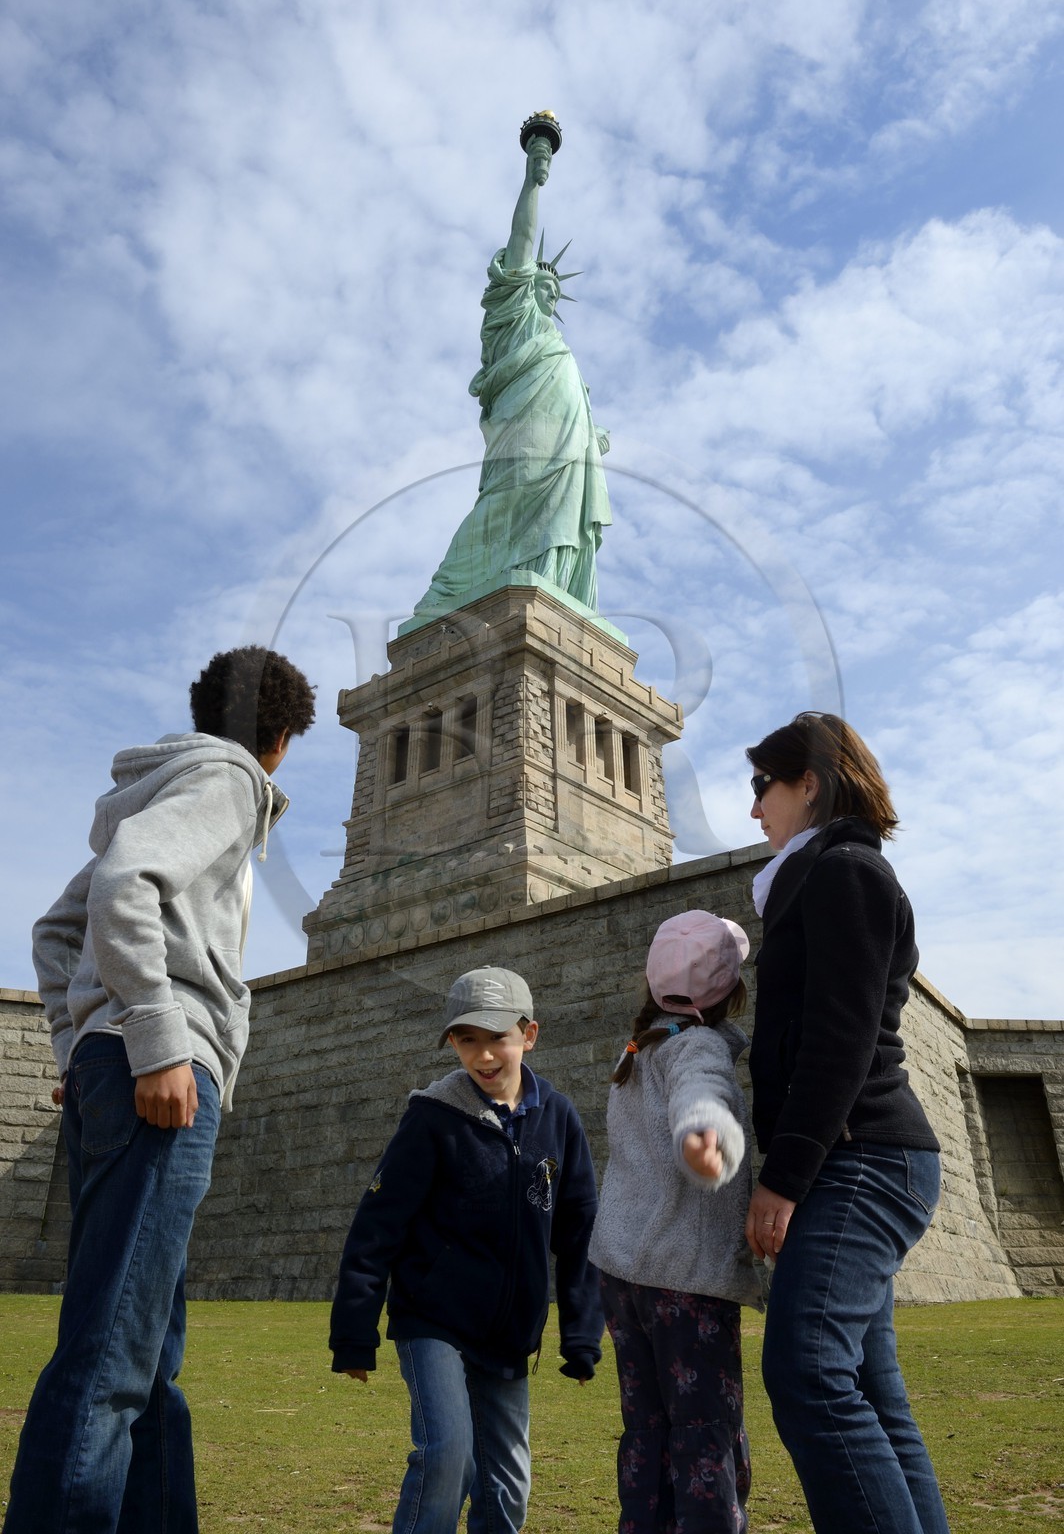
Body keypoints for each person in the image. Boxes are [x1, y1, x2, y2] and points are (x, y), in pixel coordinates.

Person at [4, 644, 316, 1534]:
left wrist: (77, 1045)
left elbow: (60, 927)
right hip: (160, 1070)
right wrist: (153, 1037)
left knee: (146, 1345)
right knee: (112, 1352)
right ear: (282, 738)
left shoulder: (162, 785)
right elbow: (122, 885)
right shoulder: (226, 781)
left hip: (118, 1063)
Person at [743, 711, 949, 1534]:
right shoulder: (821, 875)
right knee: (865, 1386)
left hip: (864, 1157)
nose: (754, 809)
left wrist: (782, 1177)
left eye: (763, 787)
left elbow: (842, 1039)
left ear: (809, 784)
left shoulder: (845, 872)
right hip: (858, 1157)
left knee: (805, 1369)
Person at [329, 966, 603, 1534]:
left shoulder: (560, 1119)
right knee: (447, 1457)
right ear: (452, 1040)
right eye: (466, 1039)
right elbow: (376, 1227)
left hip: (510, 1336)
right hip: (433, 1320)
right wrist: (355, 1332)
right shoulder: (431, 1118)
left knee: (508, 1488)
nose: (482, 1055)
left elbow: (579, 1234)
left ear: (529, 1035)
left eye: (497, 1037)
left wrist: (581, 1336)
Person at [589, 911, 763, 1534]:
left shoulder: (636, 1051)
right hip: (683, 1279)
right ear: (730, 993)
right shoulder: (697, 1047)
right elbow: (702, 1091)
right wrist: (704, 1136)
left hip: (621, 1274)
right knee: (704, 1431)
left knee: (647, 1429)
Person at [411, 130, 612, 622]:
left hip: (569, 440)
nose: (548, 292)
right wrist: (533, 183)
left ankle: (552, 586)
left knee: (562, 515)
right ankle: (448, 593)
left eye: (553, 290)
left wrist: (591, 432)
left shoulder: (557, 346)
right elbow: (521, 244)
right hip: (523, 433)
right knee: (504, 503)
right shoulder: (512, 319)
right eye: (540, 283)